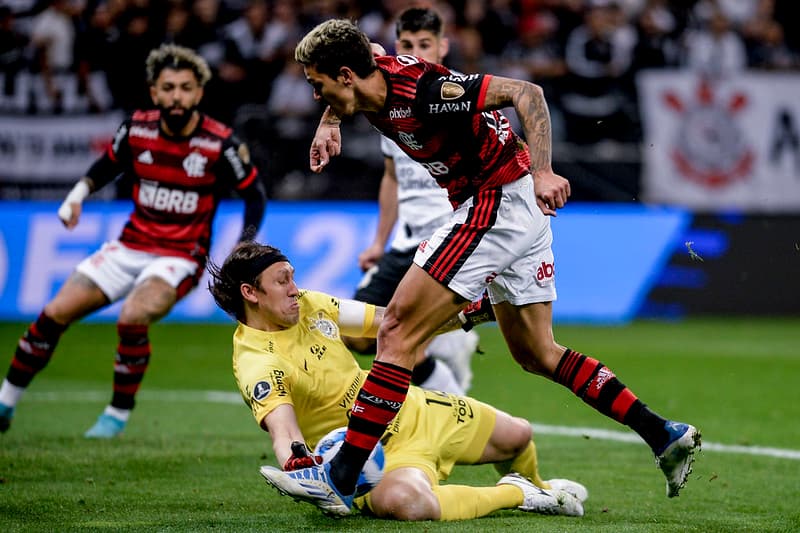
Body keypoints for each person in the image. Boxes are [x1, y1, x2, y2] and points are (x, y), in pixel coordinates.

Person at [258, 19, 701, 515]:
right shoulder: (368, 69)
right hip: (513, 211)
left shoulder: (425, 91)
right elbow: (369, 50)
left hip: (497, 201)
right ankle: (663, 433)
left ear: (344, 75)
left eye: (318, 87)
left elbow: (526, 92)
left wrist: (544, 170)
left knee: (397, 331)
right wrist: (332, 121)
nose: (316, 98)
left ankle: (339, 477)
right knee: (537, 352)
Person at [208, 241, 587, 520]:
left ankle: (542, 488)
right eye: (282, 281)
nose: (295, 288)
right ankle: (516, 493)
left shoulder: (308, 304)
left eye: (292, 277)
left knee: (518, 435)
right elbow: (283, 428)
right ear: (250, 293)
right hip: (367, 456)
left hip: (409, 409)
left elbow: (392, 323)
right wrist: (297, 464)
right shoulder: (257, 360)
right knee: (410, 503)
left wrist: (469, 316)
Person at [0, 44, 267, 439]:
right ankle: (5, 403)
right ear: (154, 91)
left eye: (186, 88)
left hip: (180, 255)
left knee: (132, 317)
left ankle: (116, 413)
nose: (177, 96)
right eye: (168, 87)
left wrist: (243, 245)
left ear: (199, 93)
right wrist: (76, 196)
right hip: (128, 246)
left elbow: (254, 193)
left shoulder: (219, 143)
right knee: (53, 314)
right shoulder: (136, 129)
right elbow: (107, 164)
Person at [344, 6, 479, 395]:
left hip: (450, 238)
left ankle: (452, 413)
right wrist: (377, 241)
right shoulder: (387, 97)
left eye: (425, 44)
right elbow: (392, 177)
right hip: (406, 242)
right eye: (407, 44)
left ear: (443, 47)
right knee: (358, 333)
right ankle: (451, 403)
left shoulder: (454, 96)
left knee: (407, 340)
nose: (417, 52)